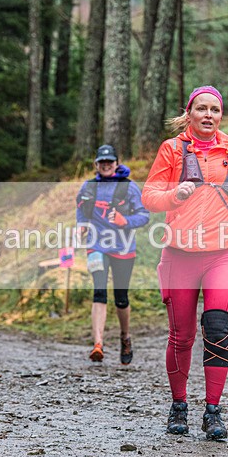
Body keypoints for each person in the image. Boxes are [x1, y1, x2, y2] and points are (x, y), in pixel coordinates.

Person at [141, 85, 228, 440]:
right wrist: (174, 195)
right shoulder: (172, 150)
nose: (209, 115)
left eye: (215, 110)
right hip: (180, 255)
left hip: (223, 252)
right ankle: (179, 405)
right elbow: (149, 196)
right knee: (182, 335)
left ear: (221, 115)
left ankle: (213, 411)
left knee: (217, 326)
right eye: (202, 109)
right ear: (189, 113)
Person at [76, 144, 150, 364]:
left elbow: (144, 216)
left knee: (121, 298)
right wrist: (81, 225)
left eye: (110, 161)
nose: (106, 165)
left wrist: (124, 221)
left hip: (123, 247)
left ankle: (125, 336)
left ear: (117, 163)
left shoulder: (128, 187)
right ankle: (97, 344)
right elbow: (80, 208)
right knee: (99, 291)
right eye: (102, 162)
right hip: (96, 245)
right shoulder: (88, 187)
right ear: (96, 165)